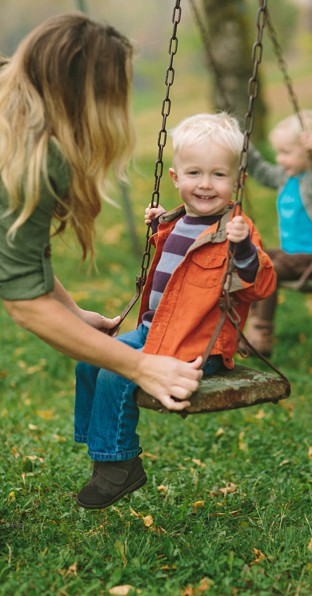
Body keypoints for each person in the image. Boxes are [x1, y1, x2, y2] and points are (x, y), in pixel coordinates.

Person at [73, 113, 276, 509]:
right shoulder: (180, 220)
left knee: (115, 373)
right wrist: (162, 223)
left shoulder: (237, 231)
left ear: (238, 182)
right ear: (175, 177)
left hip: (195, 347)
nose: (205, 184)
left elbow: (261, 284)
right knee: (89, 359)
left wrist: (245, 251)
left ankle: (119, 465)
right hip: (153, 333)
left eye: (219, 175)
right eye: (195, 173)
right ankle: (98, 446)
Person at [0, 15, 203, 409]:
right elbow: (24, 301)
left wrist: (70, 311)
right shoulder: (28, 156)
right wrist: (141, 367)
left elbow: (16, 250)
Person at [241, 110, 312, 357]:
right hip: (291, 255)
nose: (280, 160)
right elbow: (262, 171)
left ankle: (262, 333)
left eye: (286, 153)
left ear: (309, 151)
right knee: (249, 258)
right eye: (278, 153)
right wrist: (243, 146)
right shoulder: (286, 177)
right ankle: (246, 325)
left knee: (268, 268)